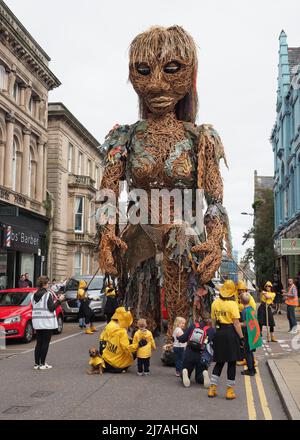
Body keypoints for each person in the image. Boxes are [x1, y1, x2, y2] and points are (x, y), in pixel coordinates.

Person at [208, 280, 244, 400]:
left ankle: (212, 389)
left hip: (219, 333)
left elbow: (213, 322)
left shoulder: (215, 303)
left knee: (219, 362)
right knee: (231, 363)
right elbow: (236, 323)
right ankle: (229, 391)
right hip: (230, 334)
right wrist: (241, 337)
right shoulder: (232, 304)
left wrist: (215, 334)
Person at [31, 276, 65, 370]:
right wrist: (59, 300)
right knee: (45, 343)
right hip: (46, 322)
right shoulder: (47, 294)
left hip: (37, 322)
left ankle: (36, 364)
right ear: (44, 284)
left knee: (39, 343)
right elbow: (51, 308)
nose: (49, 285)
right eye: (48, 283)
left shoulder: (33, 295)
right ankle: (42, 364)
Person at [178, 315, 215, 389]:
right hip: (202, 355)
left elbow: (183, 338)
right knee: (199, 377)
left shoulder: (193, 326)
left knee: (186, 369)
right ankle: (203, 374)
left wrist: (178, 338)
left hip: (189, 352)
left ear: (200, 318)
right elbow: (213, 344)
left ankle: (185, 373)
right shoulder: (211, 330)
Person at [99, 307, 136, 373]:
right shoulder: (122, 331)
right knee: (134, 349)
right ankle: (122, 367)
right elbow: (126, 348)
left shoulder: (110, 324)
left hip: (105, 358)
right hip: (116, 365)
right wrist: (137, 345)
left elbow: (105, 338)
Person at [235, 280, 257, 368]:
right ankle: (247, 360)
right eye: (239, 289)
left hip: (245, 319)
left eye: (242, 289)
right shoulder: (237, 296)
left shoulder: (248, 299)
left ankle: (248, 362)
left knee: (244, 341)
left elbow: (252, 310)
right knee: (242, 342)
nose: (240, 291)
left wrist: (238, 324)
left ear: (245, 290)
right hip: (239, 316)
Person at [239, 293, 260, 376]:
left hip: (247, 333)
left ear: (241, 301)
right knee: (250, 352)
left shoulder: (244, 311)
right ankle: (253, 369)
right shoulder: (251, 308)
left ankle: (250, 370)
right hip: (252, 332)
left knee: (247, 352)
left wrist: (236, 323)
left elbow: (244, 324)